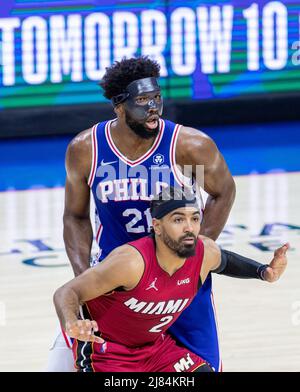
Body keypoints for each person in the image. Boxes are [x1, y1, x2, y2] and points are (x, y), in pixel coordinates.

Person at [46, 56, 236, 371]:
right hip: (117, 281)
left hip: (179, 284)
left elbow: (223, 191)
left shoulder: (187, 145)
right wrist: (84, 279)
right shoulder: (86, 149)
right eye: (143, 100)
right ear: (119, 106)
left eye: (157, 98)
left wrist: (191, 254)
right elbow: (75, 216)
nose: (154, 108)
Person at [53, 187, 288, 372]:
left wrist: (264, 272)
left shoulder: (204, 252)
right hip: (109, 351)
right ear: (157, 225)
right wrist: (71, 322)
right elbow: (67, 293)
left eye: (195, 219)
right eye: (178, 220)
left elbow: (225, 261)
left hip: (154, 350)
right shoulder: (131, 262)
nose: (189, 228)